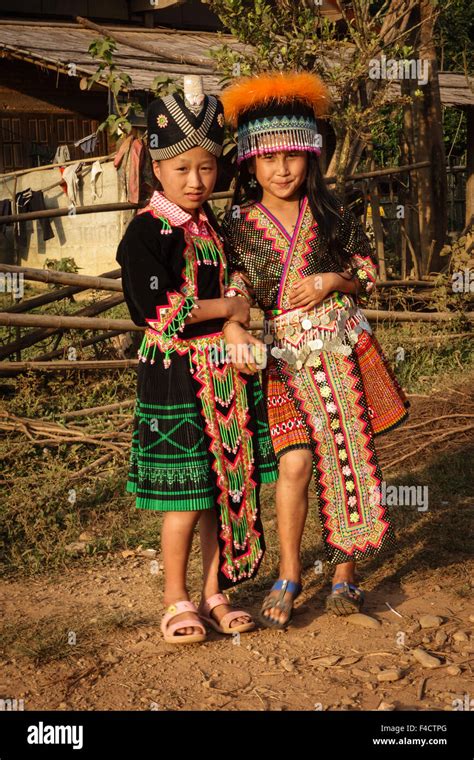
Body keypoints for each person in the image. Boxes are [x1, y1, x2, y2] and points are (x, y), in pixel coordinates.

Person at [220, 71, 410, 627]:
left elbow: (368, 271)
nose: (282, 170)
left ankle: (347, 573)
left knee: (345, 454)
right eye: (269, 158)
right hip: (282, 358)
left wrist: (333, 281)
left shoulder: (332, 213)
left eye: (293, 156)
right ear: (249, 163)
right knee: (296, 462)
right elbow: (236, 283)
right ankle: (290, 571)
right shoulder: (238, 224)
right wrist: (235, 320)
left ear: (311, 156)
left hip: (338, 347)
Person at [116, 76, 278, 644]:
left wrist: (234, 319)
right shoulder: (146, 232)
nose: (195, 181)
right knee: (184, 494)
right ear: (156, 168)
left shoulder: (211, 229)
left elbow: (236, 280)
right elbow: (159, 310)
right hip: (175, 378)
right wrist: (230, 308)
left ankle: (213, 593)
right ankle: (174, 599)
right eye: (182, 169)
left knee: (221, 489)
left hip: (223, 377)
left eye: (206, 168)